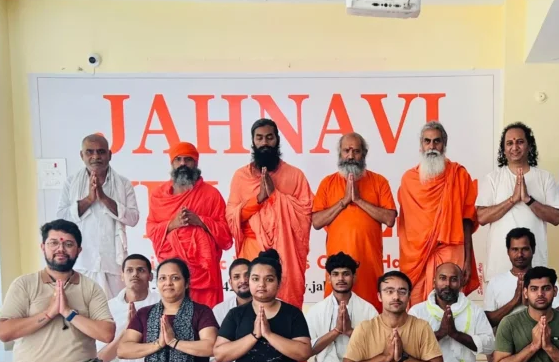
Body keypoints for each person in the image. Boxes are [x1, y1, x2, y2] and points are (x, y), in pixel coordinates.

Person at [0, 220, 116, 362]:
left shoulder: (90, 287)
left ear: (78, 250)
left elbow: (107, 333)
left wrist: (69, 312)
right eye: (53, 243)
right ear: (43, 247)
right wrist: (49, 313)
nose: (60, 249)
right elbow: (4, 332)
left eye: (68, 244)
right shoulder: (24, 284)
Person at [226, 119, 314, 308]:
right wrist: (258, 199)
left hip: (286, 252)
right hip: (252, 248)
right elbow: (232, 217)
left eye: (269, 137)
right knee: (252, 302)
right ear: (253, 141)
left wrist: (277, 196)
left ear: (277, 140)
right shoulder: (241, 177)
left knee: (285, 304)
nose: (265, 143)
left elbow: (306, 214)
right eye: (259, 138)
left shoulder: (295, 175)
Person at [397, 121, 479, 308]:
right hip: (416, 256)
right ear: (421, 145)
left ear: (444, 144)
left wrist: (467, 259)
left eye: (437, 141)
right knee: (418, 305)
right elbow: (405, 228)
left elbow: (467, 219)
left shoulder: (458, 175)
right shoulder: (408, 180)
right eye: (427, 141)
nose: (432, 146)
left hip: (450, 248)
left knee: (450, 300)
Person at [312, 133, 397, 307]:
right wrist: (344, 201)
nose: (351, 156)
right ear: (340, 153)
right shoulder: (327, 183)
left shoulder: (379, 182)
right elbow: (316, 222)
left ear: (364, 154)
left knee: (370, 313)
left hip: (369, 264)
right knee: (335, 313)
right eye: (346, 151)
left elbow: (389, 219)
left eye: (356, 151)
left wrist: (358, 199)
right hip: (337, 269)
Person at [145, 142, 231, 308]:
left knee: (205, 320)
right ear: (172, 163)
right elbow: (151, 230)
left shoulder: (211, 195)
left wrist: (201, 221)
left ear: (196, 163)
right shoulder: (159, 195)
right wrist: (172, 224)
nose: (183, 164)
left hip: (204, 272)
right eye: (178, 160)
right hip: (172, 272)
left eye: (188, 160)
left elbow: (226, 235)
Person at [55, 134, 139, 298]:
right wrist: (89, 199)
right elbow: (61, 219)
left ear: (109, 154)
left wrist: (104, 198)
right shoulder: (71, 183)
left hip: (113, 264)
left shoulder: (123, 184)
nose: (95, 157)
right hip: (81, 262)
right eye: (90, 152)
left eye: (101, 152)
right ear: (82, 155)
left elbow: (133, 218)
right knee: (82, 315)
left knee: (114, 315)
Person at [476, 122, 559, 278]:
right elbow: (481, 217)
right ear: (504, 149)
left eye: (520, 142)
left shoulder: (545, 177)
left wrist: (529, 200)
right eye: (509, 143)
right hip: (500, 265)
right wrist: (512, 200)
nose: (514, 147)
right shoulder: (492, 179)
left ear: (529, 146)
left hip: (535, 268)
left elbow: (556, 217)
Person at [409, 262, 497, 362]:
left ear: (461, 282)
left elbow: (490, 345)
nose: (447, 284)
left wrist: (456, 334)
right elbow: (409, 348)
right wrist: (440, 333)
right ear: (434, 281)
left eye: (453, 279)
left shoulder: (473, 310)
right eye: (442, 278)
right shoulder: (418, 311)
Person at [301, 252, 378, 362]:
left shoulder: (368, 310)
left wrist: (350, 331)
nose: (341, 279)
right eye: (335, 274)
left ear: (354, 277)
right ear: (329, 278)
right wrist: (336, 331)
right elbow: (307, 351)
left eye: (346, 274)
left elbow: (376, 348)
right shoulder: (316, 310)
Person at [97, 254, 160, 362]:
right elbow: (100, 359)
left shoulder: (162, 304)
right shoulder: (107, 308)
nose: (135, 274)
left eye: (140, 270)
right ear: (122, 276)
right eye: (129, 270)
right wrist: (127, 332)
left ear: (150, 276)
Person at [484, 227, 559, 328]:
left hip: (544, 341)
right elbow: (487, 322)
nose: (520, 254)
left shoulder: (545, 278)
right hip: (507, 343)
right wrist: (514, 301)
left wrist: (531, 304)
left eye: (525, 249)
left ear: (533, 250)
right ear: (508, 252)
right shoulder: (495, 282)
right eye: (515, 249)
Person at [211, 258, 251, 362]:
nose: (243, 280)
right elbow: (215, 351)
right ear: (230, 283)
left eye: (247, 275)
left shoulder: (277, 306)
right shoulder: (220, 310)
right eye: (236, 277)